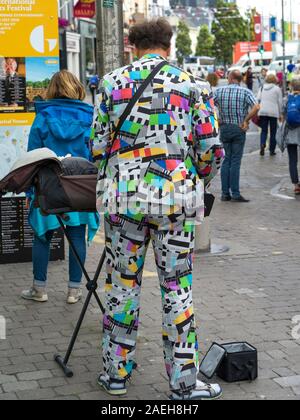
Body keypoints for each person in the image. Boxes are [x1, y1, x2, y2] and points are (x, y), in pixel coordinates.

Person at [91, 18, 224, 400]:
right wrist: (195, 179)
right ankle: (184, 383)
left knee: (121, 286)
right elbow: (211, 151)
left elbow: (97, 148)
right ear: (168, 44)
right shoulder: (192, 84)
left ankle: (115, 375)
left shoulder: (112, 84)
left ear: (132, 44)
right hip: (175, 202)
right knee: (177, 288)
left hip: (124, 202)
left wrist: (119, 172)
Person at [21, 70, 100, 304]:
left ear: (52, 89)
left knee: (42, 236)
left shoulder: (43, 117)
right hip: (79, 185)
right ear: (77, 88)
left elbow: (33, 158)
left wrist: (29, 191)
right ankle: (74, 291)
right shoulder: (89, 117)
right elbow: (95, 154)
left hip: (47, 185)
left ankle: (39, 289)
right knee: (77, 236)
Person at [214, 70, 260, 203]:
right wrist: (246, 120)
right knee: (235, 161)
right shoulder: (246, 92)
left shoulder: (219, 91)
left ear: (230, 78)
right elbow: (256, 107)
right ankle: (235, 193)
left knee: (226, 160)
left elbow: (206, 104)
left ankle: (224, 193)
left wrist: (217, 118)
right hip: (239, 128)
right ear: (240, 79)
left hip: (225, 128)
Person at [257, 74, 283, 156]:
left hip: (263, 111)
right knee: (273, 132)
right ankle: (272, 150)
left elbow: (258, 99)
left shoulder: (261, 88)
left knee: (264, 130)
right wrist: (280, 114)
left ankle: (262, 144)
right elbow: (280, 102)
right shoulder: (277, 89)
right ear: (275, 80)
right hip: (273, 112)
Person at [284, 77, 300, 195]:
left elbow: (283, 114)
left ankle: (296, 185)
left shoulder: (288, 99)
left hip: (290, 133)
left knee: (292, 160)